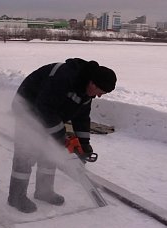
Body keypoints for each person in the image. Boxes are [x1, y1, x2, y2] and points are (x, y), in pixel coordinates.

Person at [8, 58, 117, 213]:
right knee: (26, 152)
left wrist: (83, 144)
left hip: (50, 111)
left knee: (50, 152)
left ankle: (44, 191)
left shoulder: (86, 91)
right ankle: (16, 197)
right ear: (93, 83)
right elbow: (44, 107)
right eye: (100, 92)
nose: (99, 96)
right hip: (27, 106)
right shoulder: (64, 77)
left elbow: (81, 117)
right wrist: (60, 136)